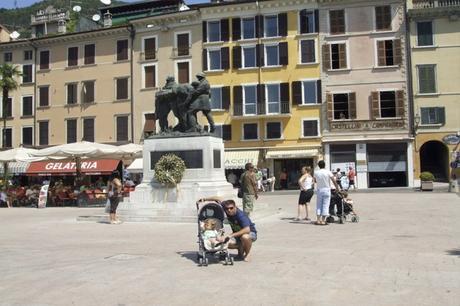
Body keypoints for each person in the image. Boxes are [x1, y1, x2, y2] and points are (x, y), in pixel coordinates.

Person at [199, 197, 257, 262]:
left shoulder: (240, 215)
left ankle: (248, 254)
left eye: (231, 208)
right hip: (238, 235)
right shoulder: (226, 207)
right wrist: (204, 199)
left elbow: (247, 229)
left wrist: (231, 235)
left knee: (245, 237)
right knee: (223, 243)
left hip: (250, 233)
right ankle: (240, 252)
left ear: (235, 207)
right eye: (227, 209)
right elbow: (218, 198)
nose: (229, 210)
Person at [313, 160, 339, 225]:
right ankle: (323, 221)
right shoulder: (328, 172)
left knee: (318, 205)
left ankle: (318, 220)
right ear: (325, 165)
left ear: (318, 166)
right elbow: (333, 180)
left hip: (319, 190)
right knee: (325, 205)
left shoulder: (316, 172)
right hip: (327, 190)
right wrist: (337, 188)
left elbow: (315, 181)